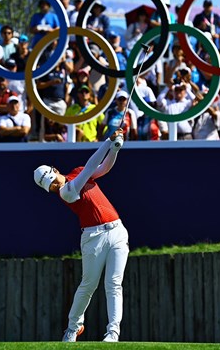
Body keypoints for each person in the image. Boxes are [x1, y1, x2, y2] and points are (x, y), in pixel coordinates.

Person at [33, 128, 128, 343]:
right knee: (89, 285)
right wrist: (108, 142)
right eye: (51, 188)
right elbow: (90, 168)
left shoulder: (75, 172)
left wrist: (114, 149)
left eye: (54, 182)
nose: (55, 187)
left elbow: (102, 168)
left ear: (55, 170)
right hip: (93, 237)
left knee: (114, 283)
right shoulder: (66, 193)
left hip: (117, 230)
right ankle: (73, 328)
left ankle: (113, 333)